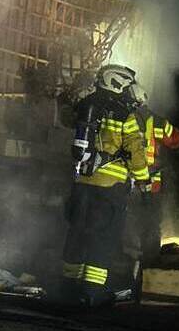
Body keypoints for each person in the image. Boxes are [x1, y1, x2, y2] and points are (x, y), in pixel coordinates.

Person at [61, 64, 149, 306]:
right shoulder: (124, 114)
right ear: (118, 83)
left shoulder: (86, 105)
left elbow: (66, 118)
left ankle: (68, 286)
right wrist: (144, 181)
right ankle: (92, 292)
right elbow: (135, 150)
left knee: (77, 232)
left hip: (81, 182)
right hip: (109, 187)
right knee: (103, 238)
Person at [127, 84, 179, 268]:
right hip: (150, 183)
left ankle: (118, 257)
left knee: (117, 219)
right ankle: (149, 266)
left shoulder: (120, 117)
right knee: (150, 224)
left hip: (121, 180)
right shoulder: (155, 121)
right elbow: (176, 140)